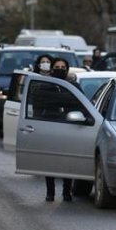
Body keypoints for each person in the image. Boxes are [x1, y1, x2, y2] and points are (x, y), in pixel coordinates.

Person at [44, 57, 82, 202]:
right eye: (57, 66)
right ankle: (50, 192)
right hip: (50, 126)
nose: (60, 69)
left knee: (67, 161)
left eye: (63, 67)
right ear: (52, 69)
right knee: (50, 162)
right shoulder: (45, 85)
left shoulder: (73, 86)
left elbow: (81, 104)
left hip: (69, 127)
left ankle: (67, 192)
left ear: (67, 69)